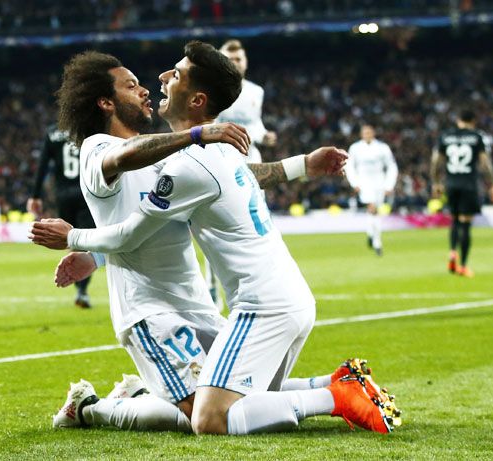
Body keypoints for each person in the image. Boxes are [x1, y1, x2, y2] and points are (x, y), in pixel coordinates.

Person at [30, 42, 400, 435]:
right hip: (151, 311)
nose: (149, 86)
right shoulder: (97, 148)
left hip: (197, 304)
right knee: (201, 412)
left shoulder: (173, 156)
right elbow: (124, 160)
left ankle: (331, 387)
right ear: (105, 104)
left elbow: (225, 180)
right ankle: (90, 407)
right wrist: (197, 133)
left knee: (236, 397)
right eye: (131, 85)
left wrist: (300, 165)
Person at [204, 39, 278, 305]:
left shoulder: (255, 91)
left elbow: (253, 124)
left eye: (240, 59)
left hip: (251, 163)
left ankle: (257, 289)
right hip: (221, 164)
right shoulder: (209, 91)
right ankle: (212, 289)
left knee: (256, 227)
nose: (236, 63)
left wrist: (264, 135)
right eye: (231, 59)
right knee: (218, 228)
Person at [27, 125, 96, 307]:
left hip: (63, 195)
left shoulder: (52, 133)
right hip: (86, 193)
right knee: (83, 240)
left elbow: (42, 165)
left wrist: (35, 195)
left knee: (70, 239)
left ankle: (77, 284)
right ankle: (82, 290)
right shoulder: (89, 129)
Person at [430, 110, 493, 277]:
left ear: (458, 119)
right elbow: (485, 163)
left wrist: (436, 183)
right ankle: (463, 265)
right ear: (473, 121)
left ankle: (453, 251)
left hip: (451, 184)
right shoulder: (476, 137)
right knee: (466, 224)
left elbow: (435, 162)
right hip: (469, 184)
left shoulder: (445, 136)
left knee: (454, 219)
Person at [345, 124, 398, 256]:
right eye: (365, 133)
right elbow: (350, 166)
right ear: (361, 135)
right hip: (364, 183)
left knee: (374, 211)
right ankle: (377, 243)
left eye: (369, 132)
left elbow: (392, 166)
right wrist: (354, 183)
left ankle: (370, 233)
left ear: (373, 133)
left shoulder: (382, 148)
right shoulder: (355, 148)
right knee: (373, 209)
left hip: (379, 183)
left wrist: (389, 185)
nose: (367, 135)